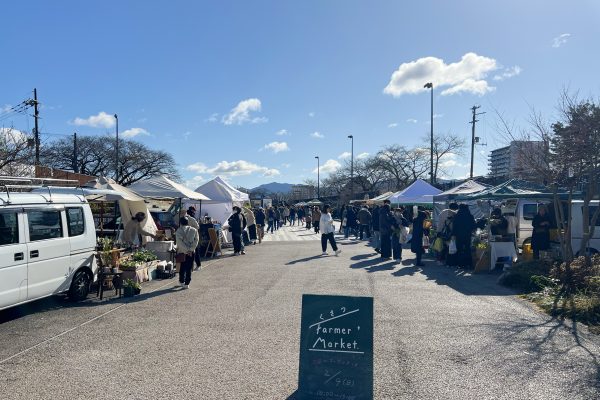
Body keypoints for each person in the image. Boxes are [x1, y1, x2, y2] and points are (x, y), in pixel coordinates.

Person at [175, 216, 199, 289]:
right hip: (191, 252)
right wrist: (190, 249)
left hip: (182, 252)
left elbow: (179, 243)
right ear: (188, 222)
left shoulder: (179, 231)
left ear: (181, 223)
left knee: (182, 267)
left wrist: (186, 250)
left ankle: (182, 281)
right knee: (189, 268)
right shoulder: (194, 230)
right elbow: (196, 241)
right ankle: (187, 283)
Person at [452, 204, 476, 269]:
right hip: (467, 234)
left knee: (459, 249)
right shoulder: (470, 216)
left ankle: (460, 264)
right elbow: (473, 226)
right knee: (467, 249)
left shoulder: (457, 216)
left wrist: (453, 235)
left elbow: (454, 226)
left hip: (458, 235)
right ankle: (468, 263)